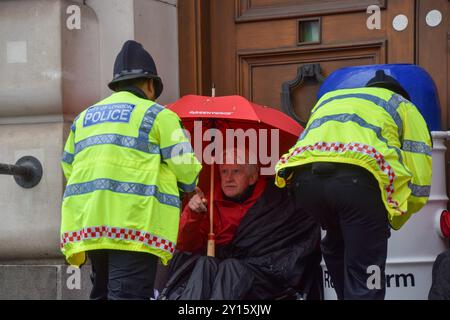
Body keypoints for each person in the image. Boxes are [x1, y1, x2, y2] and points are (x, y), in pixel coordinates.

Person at [60, 40, 202, 300]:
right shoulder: (159, 116)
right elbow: (185, 168)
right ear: (150, 84)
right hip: (134, 226)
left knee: (101, 293)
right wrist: (192, 186)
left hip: (91, 224)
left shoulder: (84, 118)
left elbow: (68, 166)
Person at [275, 70, 432, 300]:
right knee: (368, 270)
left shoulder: (333, 100)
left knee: (336, 244)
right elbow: (419, 175)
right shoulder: (402, 105)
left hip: (303, 182)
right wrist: (393, 215)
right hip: (358, 184)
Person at [159, 149, 322, 300]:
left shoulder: (276, 200)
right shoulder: (208, 201)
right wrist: (193, 213)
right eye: (224, 172)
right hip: (217, 271)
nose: (228, 178)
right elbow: (184, 245)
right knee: (205, 263)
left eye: (236, 171)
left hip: (261, 273)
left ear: (252, 177)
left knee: (231, 268)